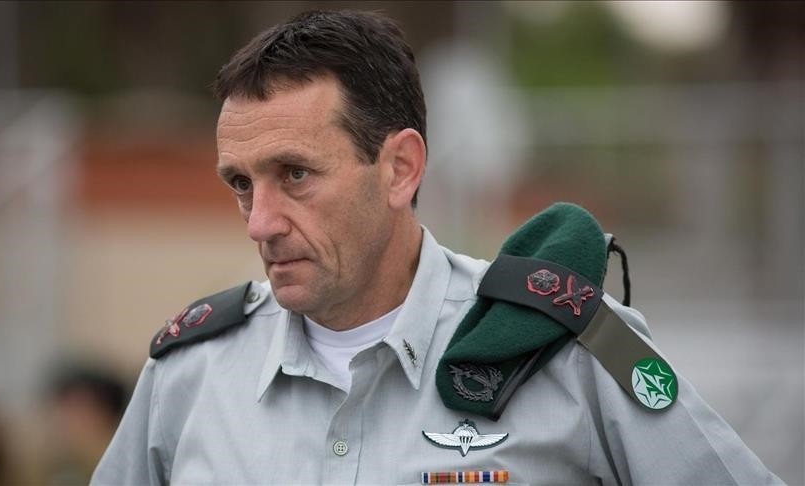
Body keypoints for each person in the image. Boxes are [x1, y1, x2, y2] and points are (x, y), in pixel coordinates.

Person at [91, 10, 781, 485]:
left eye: (295, 175)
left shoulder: (572, 349)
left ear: (400, 169)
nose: (260, 223)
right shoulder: (189, 374)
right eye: (242, 184)